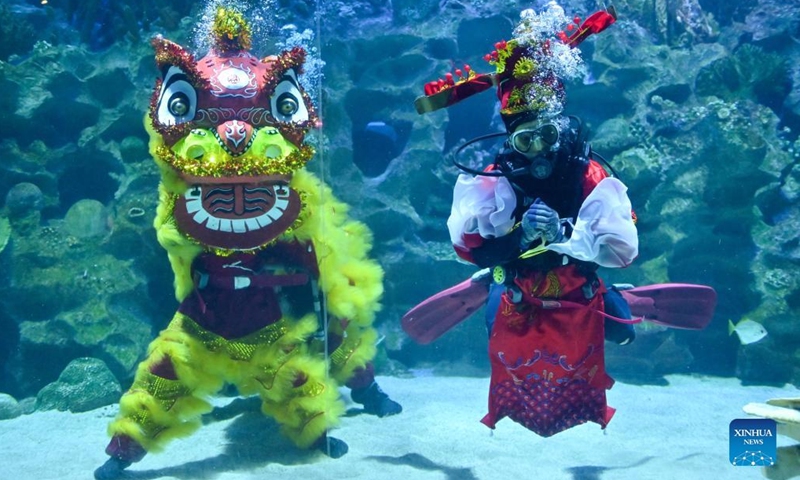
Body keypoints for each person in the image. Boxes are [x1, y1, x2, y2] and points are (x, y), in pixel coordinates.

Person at [94, 7, 399, 479]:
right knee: (161, 376)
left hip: (272, 322)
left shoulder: (292, 197)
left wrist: (310, 282)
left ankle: (366, 392)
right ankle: (120, 455)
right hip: (201, 319)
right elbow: (176, 235)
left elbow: (311, 255)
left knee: (319, 360)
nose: (236, 137)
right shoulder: (182, 197)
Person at [417, 4, 637, 437]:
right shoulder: (496, 181)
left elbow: (623, 247)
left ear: (561, 129)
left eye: (546, 136)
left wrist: (565, 236)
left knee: (623, 335)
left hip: (578, 277)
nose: (537, 150)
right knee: (498, 343)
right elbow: (467, 246)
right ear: (510, 137)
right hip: (521, 282)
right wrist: (519, 238)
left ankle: (613, 299)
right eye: (524, 138)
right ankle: (493, 286)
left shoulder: (587, 174)